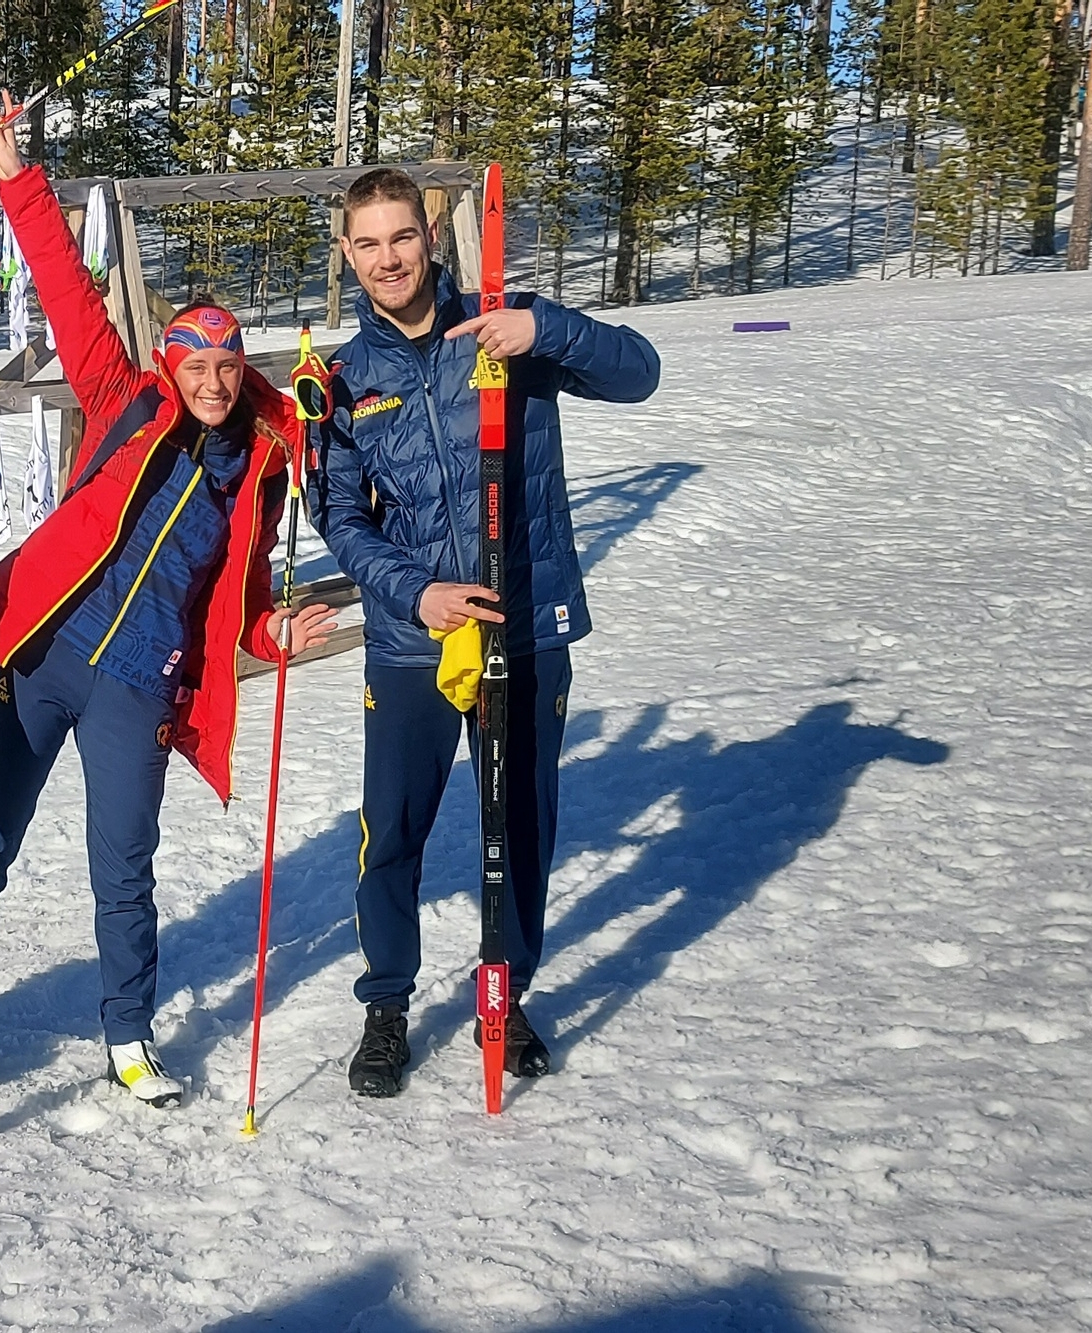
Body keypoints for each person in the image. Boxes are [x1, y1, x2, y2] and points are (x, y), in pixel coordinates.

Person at [0, 94, 338, 1109]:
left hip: (136, 684)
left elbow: (241, 602)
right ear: (171, 363)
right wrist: (17, 175)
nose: (212, 382)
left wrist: (272, 632)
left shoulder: (254, 472)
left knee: (124, 868)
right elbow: (68, 293)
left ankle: (127, 1033)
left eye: (226, 367)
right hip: (43, 650)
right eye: (196, 365)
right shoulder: (123, 401)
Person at [309, 166, 661, 1099]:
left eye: (402, 237)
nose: (388, 258)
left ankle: (507, 990)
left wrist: (547, 331)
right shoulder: (346, 380)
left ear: (431, 238)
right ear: (347, 254)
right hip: (415, 639)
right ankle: (387, 1005)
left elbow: (640, 373)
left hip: (526, 618)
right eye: (368, 243)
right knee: (393, 829)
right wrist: (415, 591)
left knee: (521, 822)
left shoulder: (510, 327)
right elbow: (336, 513)